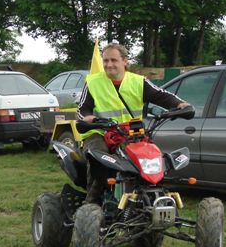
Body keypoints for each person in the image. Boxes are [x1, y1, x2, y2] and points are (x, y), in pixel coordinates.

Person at [77, 43, 190, 204]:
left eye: (113, 60)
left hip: (130, 134)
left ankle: (152, 199)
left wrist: (181, 105)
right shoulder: (93, 82)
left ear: (125, 61)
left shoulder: (138, 82)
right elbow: (82, 109)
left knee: (152, 157)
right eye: (106, 60)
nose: (109, 64)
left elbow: (161, 96)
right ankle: (91, 204)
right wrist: (89, 118)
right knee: (98, 157)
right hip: (99, 132)